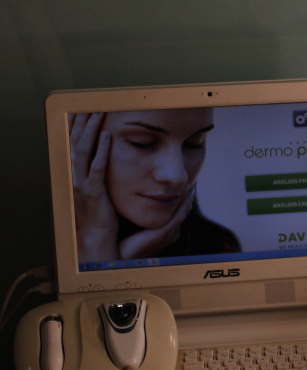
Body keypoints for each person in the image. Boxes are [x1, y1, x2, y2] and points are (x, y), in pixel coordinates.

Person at [71, 108, 240, 264]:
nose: (177, 176)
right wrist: (99, 241)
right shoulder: (56, 248)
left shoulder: (215, 248)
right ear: (78, 141)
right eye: (142, 142)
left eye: (194, 143)